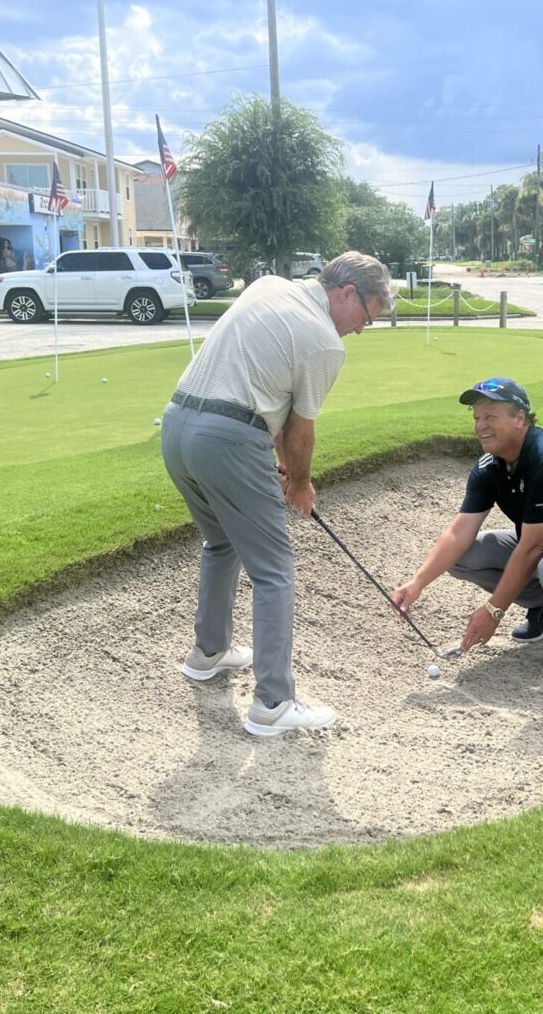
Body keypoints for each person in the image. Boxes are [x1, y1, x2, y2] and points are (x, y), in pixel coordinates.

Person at [161, 251, 394, 736]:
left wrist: (284, 466)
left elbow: (269, 395)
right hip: (227, 439)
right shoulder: (325, 342)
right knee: (275, 570)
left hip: (178, 427)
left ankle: (209, 652)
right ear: (346, 292)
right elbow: (301, 432)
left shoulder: (269, 284)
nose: (362, 328)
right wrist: (301, 483)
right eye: (367, 315)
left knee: (221, 542)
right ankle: (273, 702)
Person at [392, 377, 543, 669]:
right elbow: (458, 532)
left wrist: (494, 610)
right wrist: (418, 583)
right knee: (463, 557)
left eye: (490, 416)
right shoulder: (489, 466)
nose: (481, 426)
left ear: (520, 418)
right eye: (477, 418)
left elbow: (532, 547)